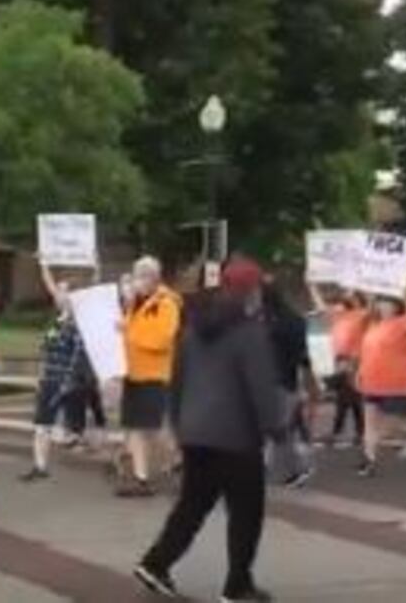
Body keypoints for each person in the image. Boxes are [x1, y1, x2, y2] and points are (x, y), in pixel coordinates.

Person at [134, 258, 282, 602]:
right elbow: (261, 387)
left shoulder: (192, 328)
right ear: (251, 291)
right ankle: (237, 585)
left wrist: (177, 425)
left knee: (192, 505)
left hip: (195, 432)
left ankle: (156, 562)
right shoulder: (249, 332)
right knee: (246, 512)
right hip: (237, 437)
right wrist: (275, 427)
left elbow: (176, 381)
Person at [117, 256, 182, 497]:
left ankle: (180, 462)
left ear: (153, 278)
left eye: (140, 276)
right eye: (135, 276)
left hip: (154, 374)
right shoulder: (135, 303)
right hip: (132, 373)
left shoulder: (166, 303)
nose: (135, 282)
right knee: (134, 427)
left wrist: (128, 333)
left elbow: (162, 339)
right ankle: (140, 478)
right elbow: (126, 332)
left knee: (155, 429)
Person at [20, 265, 89, 482]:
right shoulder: (57, 322)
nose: (59, 295)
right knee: (42, 424)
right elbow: (46, 351)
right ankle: (40, 466)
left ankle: (77, 439)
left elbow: (78, 355)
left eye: (64, 291)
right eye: (59, 290)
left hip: (65, 380)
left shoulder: (79, 325)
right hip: (49, 378)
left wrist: (69, 381)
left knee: (70, 428)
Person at [357, 295, 406, 476]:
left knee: (395, 425)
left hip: (396, 383)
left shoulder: (404, 323)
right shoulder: (373, 326)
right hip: (371, 380)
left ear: (397, 306)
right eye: (381, 302)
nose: (383, 306)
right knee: (369, 424)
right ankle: (369, 461)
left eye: (388, 302)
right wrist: (360, 372)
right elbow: (367, 352)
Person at [261, 280, 314, 488]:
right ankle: (290, 467)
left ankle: (297, 467)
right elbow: (302, 355)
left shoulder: (265, 322)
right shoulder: (294, 320)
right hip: (284, 380)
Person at [325, 291, 368, 449]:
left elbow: (369, 308)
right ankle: (358, 432)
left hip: (354, 360)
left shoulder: (361, 316)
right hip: (341, 360)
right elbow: (324, 307)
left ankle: (339, 432)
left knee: (347, 398)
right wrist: (312, 287)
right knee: (350, 398)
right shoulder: (340, 317)